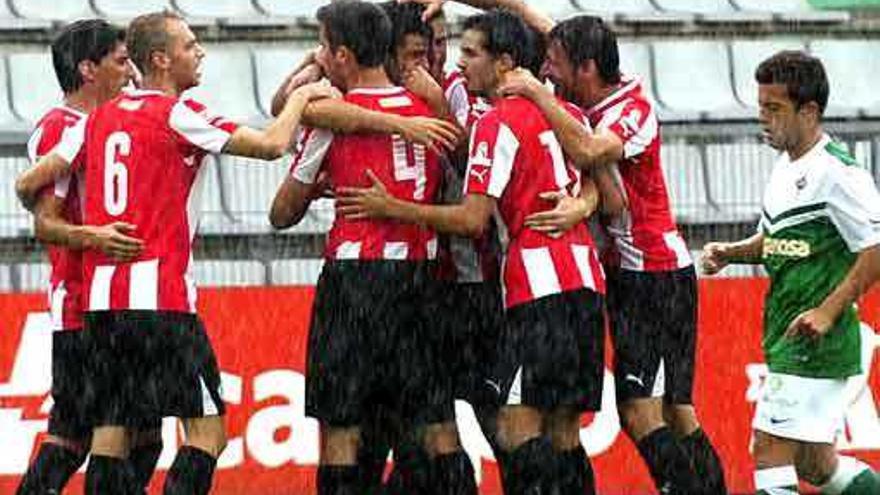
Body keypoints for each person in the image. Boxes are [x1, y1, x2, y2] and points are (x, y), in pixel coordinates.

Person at [22, 10, 334, 493]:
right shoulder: (179, 114)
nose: (200, 52)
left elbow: (28, 183)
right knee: (209, 434)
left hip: (104, 303)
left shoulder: (98, 119)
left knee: (114, 434)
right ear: (162, 60)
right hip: (161, 298)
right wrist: (300, 97)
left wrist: (90, 230)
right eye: (190, 46)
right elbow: (274, 145)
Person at [337, 10, 605, 493]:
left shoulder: (482, 112)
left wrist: (390, 206)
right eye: (429, 49)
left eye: (459, 49)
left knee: (511, 427)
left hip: (511, 288)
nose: (448, 60)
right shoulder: (565, 115)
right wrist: (583, 201)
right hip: (572, 283)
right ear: (389, 56)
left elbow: (473, 216)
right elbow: (604, 184)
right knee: (555, 430)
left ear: (503, 61)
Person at [269, 2, 475, 493]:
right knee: (435, 425)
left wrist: (316, 184)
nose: (319, 55)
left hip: (355, 284)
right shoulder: (429, 110)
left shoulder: (333, 120)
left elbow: (282, 214)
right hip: (422, 283)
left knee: (343, 429)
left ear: (342, 55)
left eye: (322, 45)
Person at [702, 50, 880, 495]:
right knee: (816, 466)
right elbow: (776, 240)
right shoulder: (786, 166)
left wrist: (827, 311)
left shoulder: (838, 172)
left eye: (775, 109)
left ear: (809, 111)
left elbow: (876, 248)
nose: (764, 118)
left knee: (768, 449)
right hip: (787, 333)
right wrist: (732, 253)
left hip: (815, 339)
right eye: (761, 107)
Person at [13, 19, 164, 495]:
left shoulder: (112, 122)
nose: (130, 70)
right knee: (78, 438)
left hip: (119, 303)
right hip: (81, 306)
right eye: (121, 62)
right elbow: (46, 222)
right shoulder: (61, 128)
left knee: (141, 436)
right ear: (86, 69)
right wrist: (97, 237)